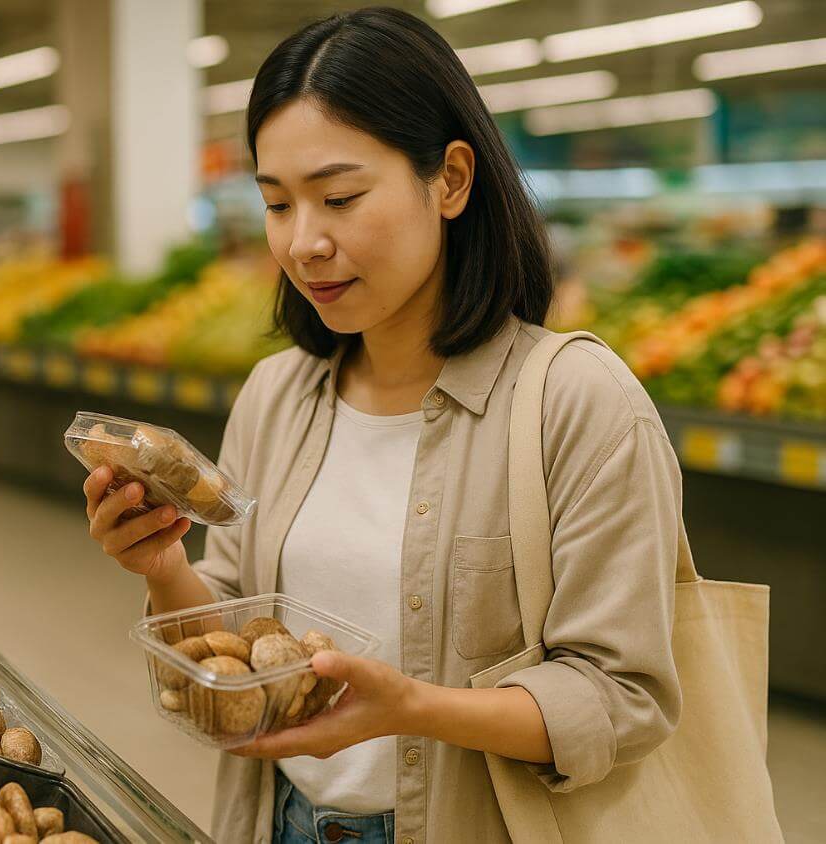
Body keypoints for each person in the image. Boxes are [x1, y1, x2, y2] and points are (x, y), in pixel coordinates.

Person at [83, 8, 684, 843]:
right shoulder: (276, 395)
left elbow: (623, 697)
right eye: (275, 204)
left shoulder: (577, 404)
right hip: (276, 822)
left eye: (338, 198)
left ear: (450, 180)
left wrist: (416, 709)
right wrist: (161, 564)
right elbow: (235, 638)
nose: (303, 243)